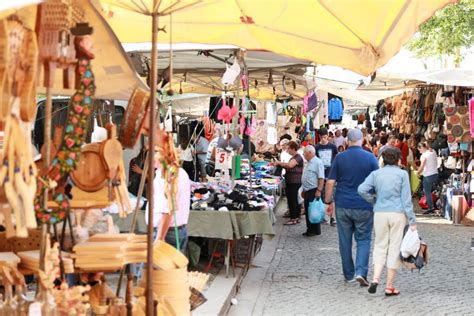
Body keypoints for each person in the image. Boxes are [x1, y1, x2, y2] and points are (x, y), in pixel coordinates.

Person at [358, 147, 417, 296]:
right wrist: (412, 220)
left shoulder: (376, 174)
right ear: (398, 159)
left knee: (380, 245)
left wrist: (373, 200)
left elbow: (361, 189)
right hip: (397, 214)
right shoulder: (402, 174)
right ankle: (389, 286)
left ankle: (376, 278)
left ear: (383, 160)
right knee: (395, 247)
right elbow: (406, 199)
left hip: (380, 213)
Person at [325, 128, 379, 285]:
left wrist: (328, 201)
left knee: (344, 240)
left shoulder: (340, 158)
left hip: (343, 204)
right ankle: (361, 272)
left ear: (347, 141)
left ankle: (349, 275)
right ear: (362, 139)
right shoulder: (370, 158)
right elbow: (378, 181)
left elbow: (330, 182)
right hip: (364, 205)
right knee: (363, 239)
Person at [147, 164, 191, 252]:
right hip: (173, 230)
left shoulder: (167, 174)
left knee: (161, 264)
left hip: (166, 232)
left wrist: (160, 237)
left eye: (155, 152)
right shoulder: (181, 172)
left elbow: (167, 209)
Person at [275, 141, 304, 225]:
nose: (287, 151)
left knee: (293, 200)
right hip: (292, 181)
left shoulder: (298, 157)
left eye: (288, 149)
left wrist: (279, 163)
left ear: (293, 149)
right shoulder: (294, 157)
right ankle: (296, 216)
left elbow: (290, 165)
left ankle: (294, 218)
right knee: (293, 199)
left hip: (294, 182)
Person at [314, 128, 338, 226]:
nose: (323, 139)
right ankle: (324, 216)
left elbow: (336, 159)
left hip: (331, 175)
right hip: (321, 176)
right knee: (322, 196)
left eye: (325, 137)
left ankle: (333, 218)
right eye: (321, 137)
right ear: (319, 137)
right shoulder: (316, 147)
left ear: (327, 136)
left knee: (331, 197)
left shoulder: (332, 147)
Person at [301, 146, 325, 236]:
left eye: (304, 152)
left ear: (310, 153)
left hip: (313, 189)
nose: (303, 154)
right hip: (307, 190)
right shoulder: (308, 162)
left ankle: (315, 230)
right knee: (308, 210)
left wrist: (319, 190)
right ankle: (310, 229)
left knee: (313, 210)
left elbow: (321, 177)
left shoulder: (317, 162)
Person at [417, 142, 439, 215]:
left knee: (427, 192)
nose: (420, 152)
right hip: (435, 174)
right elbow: (430, 148)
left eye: (419, 150)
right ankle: (435, 205)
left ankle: (430, 208)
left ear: (421, 148)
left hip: (427, 176)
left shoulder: (423, 156)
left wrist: (418, 172)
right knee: (435, 190)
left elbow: (422, 166)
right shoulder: (433, 152)